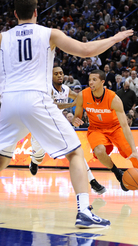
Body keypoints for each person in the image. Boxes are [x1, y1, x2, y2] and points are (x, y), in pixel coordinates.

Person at [0, 0, 133, 229]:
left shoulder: (3, 37)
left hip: (8, 103)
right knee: (75, 154)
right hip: (35, 99)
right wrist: (115, 38)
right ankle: (84, 213)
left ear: (15, 14)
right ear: (37, 12)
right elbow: (85, 49)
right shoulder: (49, 33)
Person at [72, 70, 138, 199]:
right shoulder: (83, 95)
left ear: (102, 82)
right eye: (89, 79)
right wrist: (75, 120)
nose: (90, 82)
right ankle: (118, 174)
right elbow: (76, 117)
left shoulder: (114, 98)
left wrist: (134, 150)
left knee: (132, 155)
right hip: (96, 129)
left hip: (115, 128)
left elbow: (125, 126)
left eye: (94, 79)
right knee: (99, 151)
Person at [29, 66, 106, 195]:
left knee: (76, 150)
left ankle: (93, 182)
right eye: (56, 74)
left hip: (58, 123)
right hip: (41, 125)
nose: (60, 75)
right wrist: (71, 104)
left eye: (61, 73)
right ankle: (34, 162)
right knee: (38, 155)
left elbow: (79, 97)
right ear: (50, 76)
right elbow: (53, 105)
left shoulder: (65, 89)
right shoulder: (46, 89)